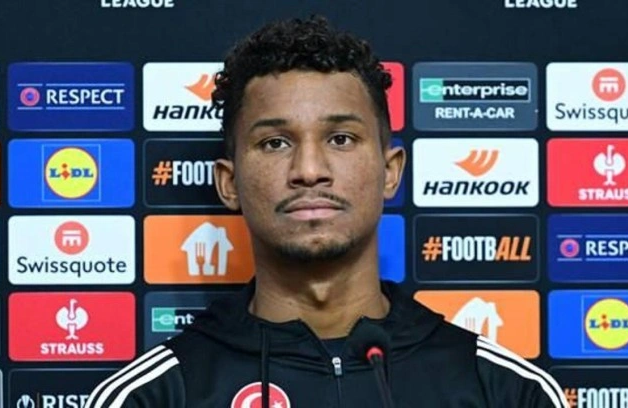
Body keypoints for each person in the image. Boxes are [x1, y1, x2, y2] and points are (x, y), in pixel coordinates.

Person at [85, 15, 568, 408]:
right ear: (229, 184)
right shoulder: (154, 396)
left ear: (390, 171)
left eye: (340, 138)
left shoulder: (505, 392)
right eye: (275, 143)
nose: (309, 170)